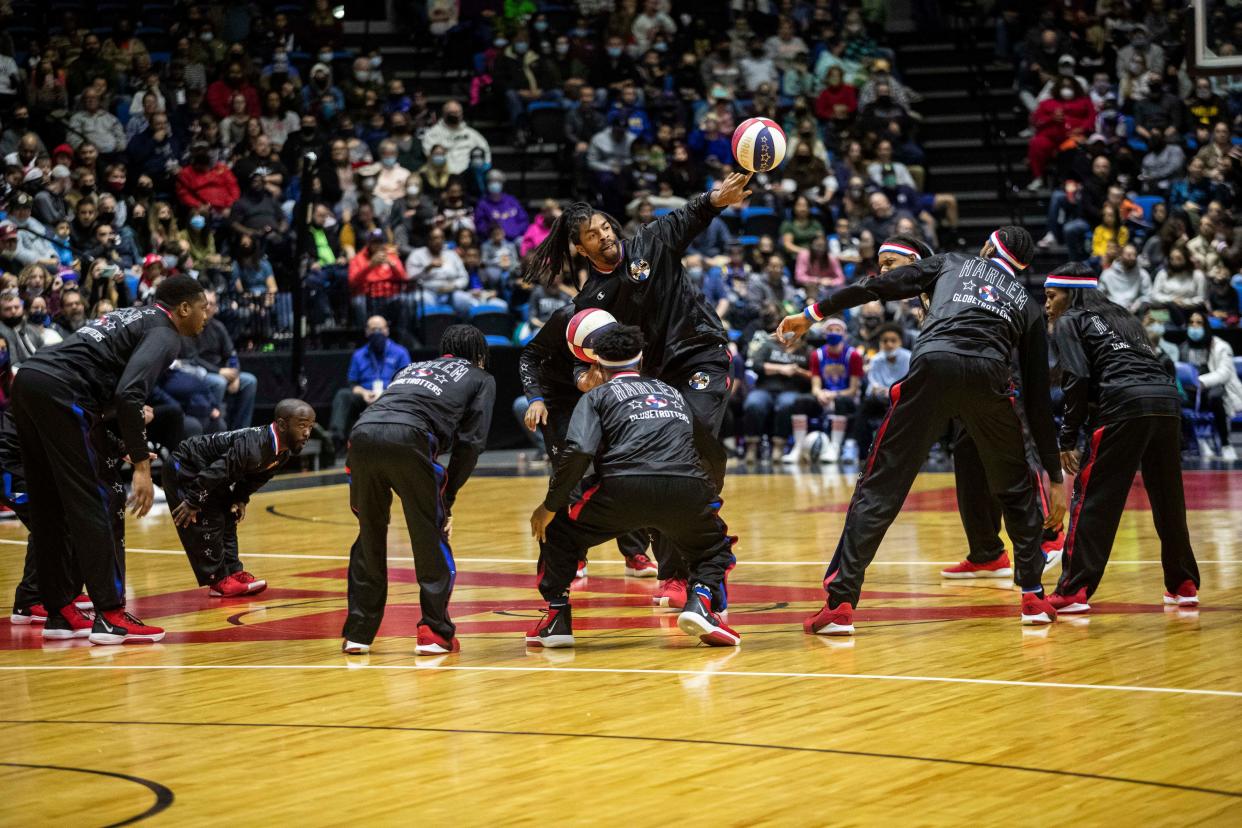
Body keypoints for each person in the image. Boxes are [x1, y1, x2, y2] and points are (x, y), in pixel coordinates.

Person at [776, 227, 1067, 634]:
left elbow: (878, 286)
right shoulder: (1030, 306)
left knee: (881, 485)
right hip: (990, 378)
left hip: (935, 365)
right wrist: (1054, 476)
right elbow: (1038, 399)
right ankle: (1034, 596)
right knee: (1015, 486)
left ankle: (841, 604)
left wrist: (811, 315)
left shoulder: (954, 262)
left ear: (986, 248)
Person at [523, 171, 752, 606]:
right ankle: (676, 571)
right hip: (654, 376)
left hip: (700, 352)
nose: (605, 236)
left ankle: (704, 527)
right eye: (593, 235)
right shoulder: (591, 302)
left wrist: (715, 198)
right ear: (580, 248)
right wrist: (582, 376)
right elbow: (575, 354)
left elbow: (686, 217)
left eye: (607, 227)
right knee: (666, 456)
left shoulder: (650, 242)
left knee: (695, 441)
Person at [10, 275, 208, 645]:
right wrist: (142, 466)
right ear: (183, 308)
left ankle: (60, 611)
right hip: (62, 391)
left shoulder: (133, 315)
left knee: (50, 504)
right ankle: (111, 615)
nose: (206, 317)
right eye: (203, 308)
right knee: (96, 502)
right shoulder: (166, 333)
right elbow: (130, 394)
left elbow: (112, 392)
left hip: (29, 381)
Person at [527, 326, 739, 648]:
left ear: (596, 366)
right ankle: (701, 601)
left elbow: (580, 452)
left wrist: (550, 506)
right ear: (640, 362)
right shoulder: (672, 392)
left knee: (557, 529)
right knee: (712, 547)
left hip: (623, 489)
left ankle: (557, 618)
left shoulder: (596, 396)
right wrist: (706, 496)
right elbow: (711, 452)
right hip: (687, 487)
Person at [1043, 265, 1199, 612]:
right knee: (1168, 498)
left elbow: (1076, 378)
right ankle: (1183, 584)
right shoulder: (1124, 316)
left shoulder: (1071, 320)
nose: (1047, 305)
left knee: (1093, 499)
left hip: (1123, 403)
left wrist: (1067, 438)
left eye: (1051, 296)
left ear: (1071, 294)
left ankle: (1073, 590)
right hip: (1166, 402)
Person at [341, 326, 495, 656]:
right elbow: (471, 443)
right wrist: (448, 498)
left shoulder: (410, 367)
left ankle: (358, 634)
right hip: (410, 437)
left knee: (369, 533)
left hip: (362, 435)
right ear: (480, 355)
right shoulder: (481, 377)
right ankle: (434, 632)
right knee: (429, 536)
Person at [518, 305, 657, 577]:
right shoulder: (562, 319)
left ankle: (635, 553)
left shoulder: (619, 324)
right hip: (558, 399)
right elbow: (528, 356)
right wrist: (535, 398)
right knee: (569, 468)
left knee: (622, 466)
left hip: (605, 390)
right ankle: (574, 556)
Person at [165, 400, 316, 598]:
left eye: (311, 427)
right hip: (186, 465)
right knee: (211, 520)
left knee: (229, 516)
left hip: (208, 472)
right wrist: (193, 501)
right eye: (302, 425)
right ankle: (217, 581)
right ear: (281, 424)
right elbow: (218, 470)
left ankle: (233, 572)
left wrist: (240, 498)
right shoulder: (254, 447)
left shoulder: (282, 453)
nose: (307, 433)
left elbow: (258, 477)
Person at [329, 315, 412, 451]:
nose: (377, 333)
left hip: (391, 395)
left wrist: (386, 393)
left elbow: (407, 381)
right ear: (367, 332)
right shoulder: (359, 355)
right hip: (366, 395)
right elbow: (352, 384)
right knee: (342, 394)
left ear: (387, 330)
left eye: (380, 329)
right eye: (373, 329)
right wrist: (364, 393)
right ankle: (335, 439)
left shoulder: (400, 352)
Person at [179, 289, 258, 430]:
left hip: (222, 371)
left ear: (216, 308)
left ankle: (240, 431)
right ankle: (216, 432)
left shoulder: (218, 326)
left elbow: (231, 354)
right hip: (199, 372)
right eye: (205, 304)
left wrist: (235, 374)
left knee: (249, 381)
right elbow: (192, 359)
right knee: (219, 382)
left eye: (212, 304)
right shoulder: (188, 326)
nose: (208, 307)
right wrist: (219, 371)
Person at [1180, 310, 1242, 461]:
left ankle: (1225, 444)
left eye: (1199, 322)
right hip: (1192, 391)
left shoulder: (1220, 346)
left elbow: (1224, 373)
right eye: (1192, 323)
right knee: (1175, 399)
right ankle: (1198, 441)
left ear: (1206, 326)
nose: (1194, 326)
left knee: (1215, 396)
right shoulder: (1183, 347)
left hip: (1215, 388)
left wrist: (1201, 381)